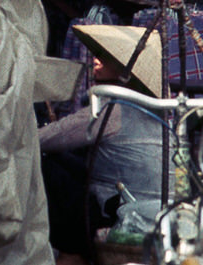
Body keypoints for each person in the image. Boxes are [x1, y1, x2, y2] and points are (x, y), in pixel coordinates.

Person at [39, 25, 165, 262]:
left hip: (123, 212)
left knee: (48, 169)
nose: (95, 61)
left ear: (126, 69)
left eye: (106, 58)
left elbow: (46, 139)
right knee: (63, 162)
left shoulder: (113, 109)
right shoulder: (152, 105)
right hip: (145, 203)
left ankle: (72, 253)